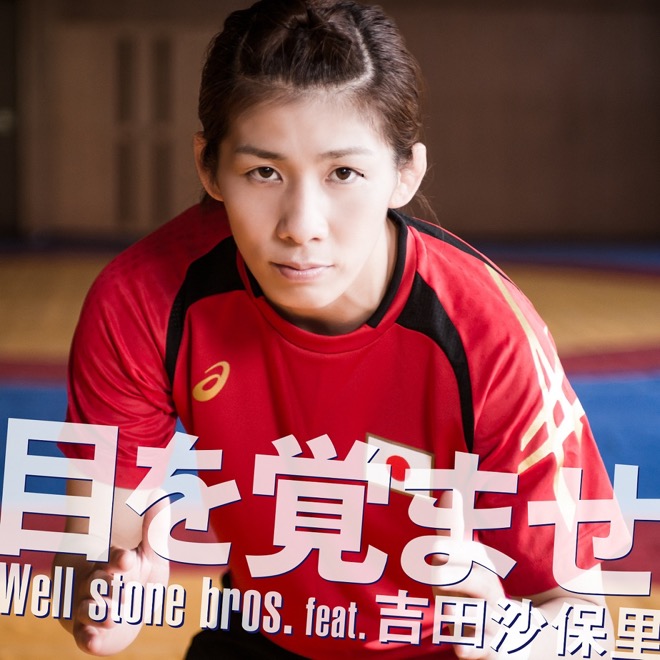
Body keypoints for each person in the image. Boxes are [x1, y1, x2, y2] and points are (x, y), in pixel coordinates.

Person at [55, 0, 616, 657]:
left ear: (405, 173)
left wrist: (506, 634)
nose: (302, 225)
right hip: (264, 630)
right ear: (208, 167)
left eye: (343, 173)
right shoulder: (144, 299)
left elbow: (586, 628)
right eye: (264, 172)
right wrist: (103, 596)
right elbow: (97, 551)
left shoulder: (487, 337)